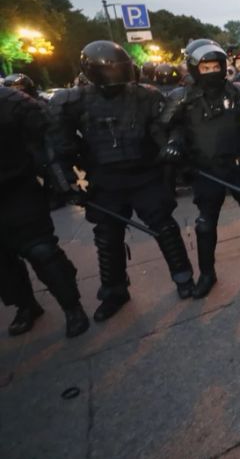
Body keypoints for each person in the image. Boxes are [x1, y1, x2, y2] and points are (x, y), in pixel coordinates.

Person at [48, 41, 196, 319]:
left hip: (144, 173)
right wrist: (67, 182)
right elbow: (58, 146)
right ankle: (114, 290)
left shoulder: (146, 96)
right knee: (107, 237)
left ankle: (183, 277)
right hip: (105, 177)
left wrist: (172, 145)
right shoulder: (72, 102)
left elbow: (167, 127)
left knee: (164, 227)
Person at [160, 39, 240, 299]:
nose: (211, 72)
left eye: (215, 66)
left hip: (237, 163)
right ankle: (207, 273)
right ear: (195, 68)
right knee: (206, 223)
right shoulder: (182, 97)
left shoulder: (238, 91)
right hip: (205, 169)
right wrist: (175, 145)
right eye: (205, 67)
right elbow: (168, 127)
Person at [0, 85, 90, 337]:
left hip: (17, 188)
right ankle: (24, 305)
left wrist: (63, 183)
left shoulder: (11, 101)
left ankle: (72, 306)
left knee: (42, 251)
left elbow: (48, 141)